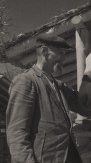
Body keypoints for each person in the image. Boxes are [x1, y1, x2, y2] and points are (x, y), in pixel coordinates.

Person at [6, 33, 84, 163]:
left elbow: (83, 103)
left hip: (69, 155)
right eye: (61, 52)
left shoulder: (59, 86)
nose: (64, 58)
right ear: (44, 51)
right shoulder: (26, 81)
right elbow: (17, 134)